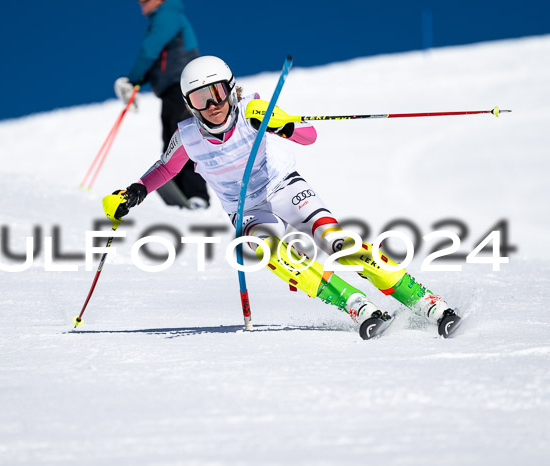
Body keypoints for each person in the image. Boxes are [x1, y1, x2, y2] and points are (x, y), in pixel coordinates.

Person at [104, 55, 462, 339]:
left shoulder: (253, 112)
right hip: (248, 210)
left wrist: (282, 123)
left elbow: (309, 136)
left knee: (337, 242)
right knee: (274, 254)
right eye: (201, 98)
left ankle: (425, 302)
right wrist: (133, 193)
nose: (212, 104)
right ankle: (355, 305)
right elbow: (165, 169)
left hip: (284, 186)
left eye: (216, 92)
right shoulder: (187, 136)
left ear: (230, 89)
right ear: (190, 103)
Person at [114, 0, 210, 209]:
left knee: (184, 138)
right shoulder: (164, 17)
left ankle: (196, 195)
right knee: (172, 138)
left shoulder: (168, 14)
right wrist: (138, 81)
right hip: (172, 89)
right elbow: (158, 59)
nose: (142, 5)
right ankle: (182, 191)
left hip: (182, 87)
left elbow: (150, 49)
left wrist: (133, 78)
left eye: (146, 0)